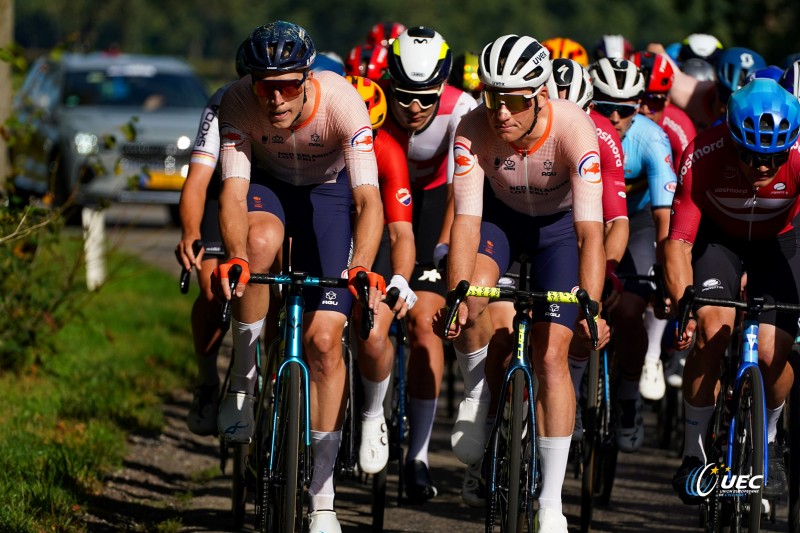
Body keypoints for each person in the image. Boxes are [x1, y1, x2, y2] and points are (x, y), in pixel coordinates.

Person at [212, 21, 385, 533]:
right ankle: (244, 371)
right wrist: (237, 256)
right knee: (258, 245)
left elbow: (366, 199)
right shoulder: (238, 102)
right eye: (267, 86)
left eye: (289, 84)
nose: (277, 97)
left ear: (308, 78)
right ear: (253, 84)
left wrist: (359, 267)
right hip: (269, 189)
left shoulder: (343, 102)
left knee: (325, 339)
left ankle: (324, 498)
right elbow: (232, 194)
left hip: (329, 197)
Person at [435, 34, 610, 532]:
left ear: (540, 96)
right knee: (470, 303)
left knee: (553, 355)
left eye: (513, 100)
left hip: (559, 233)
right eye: (493, 97)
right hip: (501, 225)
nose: (501, 113)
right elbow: (466, 224)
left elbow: (589, 232)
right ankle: (479, 395)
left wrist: (592, 308)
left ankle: (551, 501)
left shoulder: (576, 129)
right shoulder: (471, 129)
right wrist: (458, 294)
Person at [666, 78, 800, 503]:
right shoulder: (703, 154)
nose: (762, 167)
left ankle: (771, 439)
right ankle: (693, 453)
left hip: (782, 241)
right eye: (751, 155)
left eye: (773, 157)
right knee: (712, 329)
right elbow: (678, 244)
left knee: (771, 352)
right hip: (719, 241)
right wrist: (683, 306)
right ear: (730, 139)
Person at [380, 25, 478, 503]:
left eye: (426, 97)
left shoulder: (463, 110)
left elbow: (465, 194)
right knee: (370, 313)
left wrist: (443, 251)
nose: (414, 107)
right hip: (384, 197)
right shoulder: (370, 100)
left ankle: (417, 456)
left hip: (439, 202)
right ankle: (368, 412)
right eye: (404, 96)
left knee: (425, 324)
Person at [588, 57, 677, 449]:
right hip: (589, 219)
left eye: (624, 109)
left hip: (636, 222)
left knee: (627, 312)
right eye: (605, 106)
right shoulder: (582, 129)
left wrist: (664, 276)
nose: (614, 116)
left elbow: (663, 221)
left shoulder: (651, 139)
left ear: (639, 105)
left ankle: (627, 393)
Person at [545, 58, 629, 444]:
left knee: (583, 312)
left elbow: (614, 222)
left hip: (577, 224)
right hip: (531, 223)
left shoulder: (601, 136)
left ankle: (575, 392)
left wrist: (605, 274)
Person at [344, 75, 418, 475]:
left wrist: (401, 278)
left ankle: (373, 414)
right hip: (332, 237)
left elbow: (400, 231)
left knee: (372, 336)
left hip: (377, 246)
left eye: (368, 134)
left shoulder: (387, 151)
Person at [177, 39, 250, 436]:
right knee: (211, 286)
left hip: (269, 195)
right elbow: (199, 179)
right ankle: (207, 380)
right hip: (225, 192)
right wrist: (190, 231)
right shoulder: (223, 102)